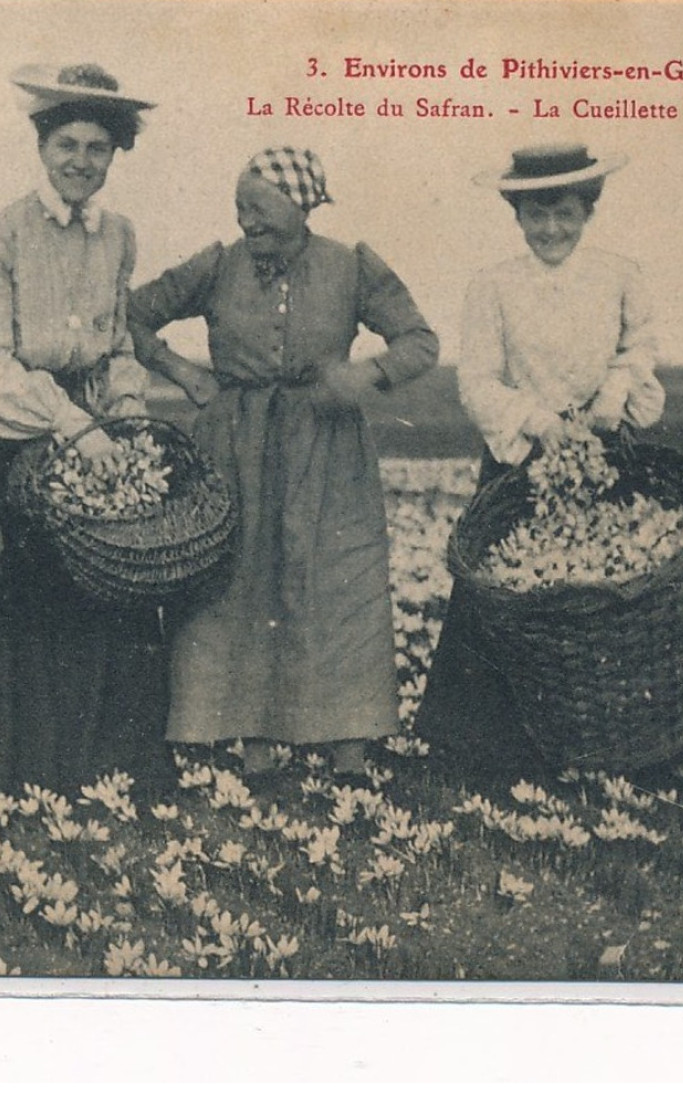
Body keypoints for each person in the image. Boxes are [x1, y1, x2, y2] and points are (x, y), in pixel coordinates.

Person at [129, 147, 439, 776]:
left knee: (336, 583)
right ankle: (253, 744)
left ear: (302, 208)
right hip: (232, 445)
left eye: (262, 210)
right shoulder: (216, 265)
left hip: (328, 449)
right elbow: (131, 315)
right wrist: (182, 373)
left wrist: (367, 375)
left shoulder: (351, 267)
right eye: (241, 207)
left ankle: (349, 744)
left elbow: (419, 341)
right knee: (239, 583)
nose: (248, 223)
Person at [0, 63, 170, 800]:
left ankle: (99, 770)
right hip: (11, 433)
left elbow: (114, 348)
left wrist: (130, 411)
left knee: (109, 590)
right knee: (27, 605)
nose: (80, 161)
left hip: (93, 436)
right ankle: (22, 775)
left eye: (97, 148)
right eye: (67, 144)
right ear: (41, 145)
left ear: (115, 154)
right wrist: (75, 426)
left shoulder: (118, 235)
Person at [412, 143, 665, 773]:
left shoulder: (620, 275)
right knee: (508, 590)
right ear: (516, 215)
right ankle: (486, 748)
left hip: (602, 458)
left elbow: (638, 353)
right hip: (521, 460)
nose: (551, 229)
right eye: (536, 216)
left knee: (600, 591)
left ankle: (607, 742)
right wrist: (539, 424)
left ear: (588, 210)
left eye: (565, 213)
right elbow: (477, 382)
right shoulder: (492, 286)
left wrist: (611, 400)